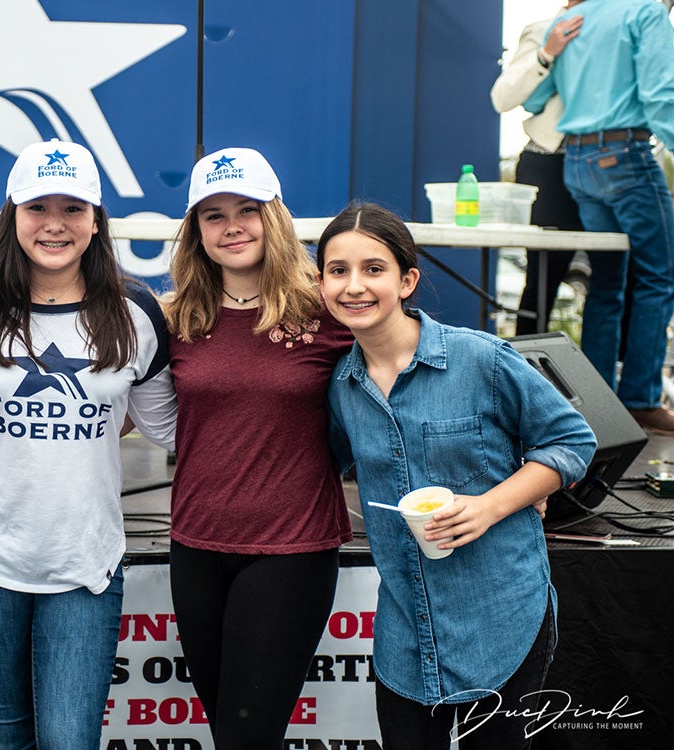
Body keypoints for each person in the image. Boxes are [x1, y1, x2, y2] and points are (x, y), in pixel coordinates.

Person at [317, 203, 597, 749]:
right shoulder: (342, 387)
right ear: (322, 283)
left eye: (374, 269)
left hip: (501, 616)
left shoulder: (480, 359)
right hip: (405, 631)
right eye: (338, 270)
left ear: (407, 280)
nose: (355, 286)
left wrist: (493, 503)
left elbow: (571, 441)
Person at [0, 139, 177, 748]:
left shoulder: (134, 312)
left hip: (84, 561)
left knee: (70, 739)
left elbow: (169, 426)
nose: (54, 224)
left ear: (96, 220)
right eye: (37, 207)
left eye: (72, 208)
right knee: (5, 733)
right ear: (11, 214)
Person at [160, 147, 353, 746]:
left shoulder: (329, 309)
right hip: (194, 545)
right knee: (228, 729)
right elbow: (108, 404)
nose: (232, 226)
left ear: (276, 217)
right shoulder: (173, 317)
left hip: (291, 549)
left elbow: (424, 375)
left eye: (248, 208)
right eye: (213, 215)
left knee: (250, 736)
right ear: (196, 231)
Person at [522, 0, 674, 434]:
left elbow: (535, 97)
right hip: (626, 155)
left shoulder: (571, 19)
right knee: (658, 278)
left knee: (606, 284)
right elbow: (662, 96)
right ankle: (641, 400)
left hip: (579, 162)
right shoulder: (644, 12)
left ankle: (598, 404)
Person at [490, 6, 585, 335]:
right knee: (543, 279)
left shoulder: (624, 29)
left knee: (615, 277)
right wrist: (547, 53)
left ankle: (602, 378)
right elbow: (502, 97)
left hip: (605, 162)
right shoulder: (545, 29)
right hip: (549, 162)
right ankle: (526, 374)